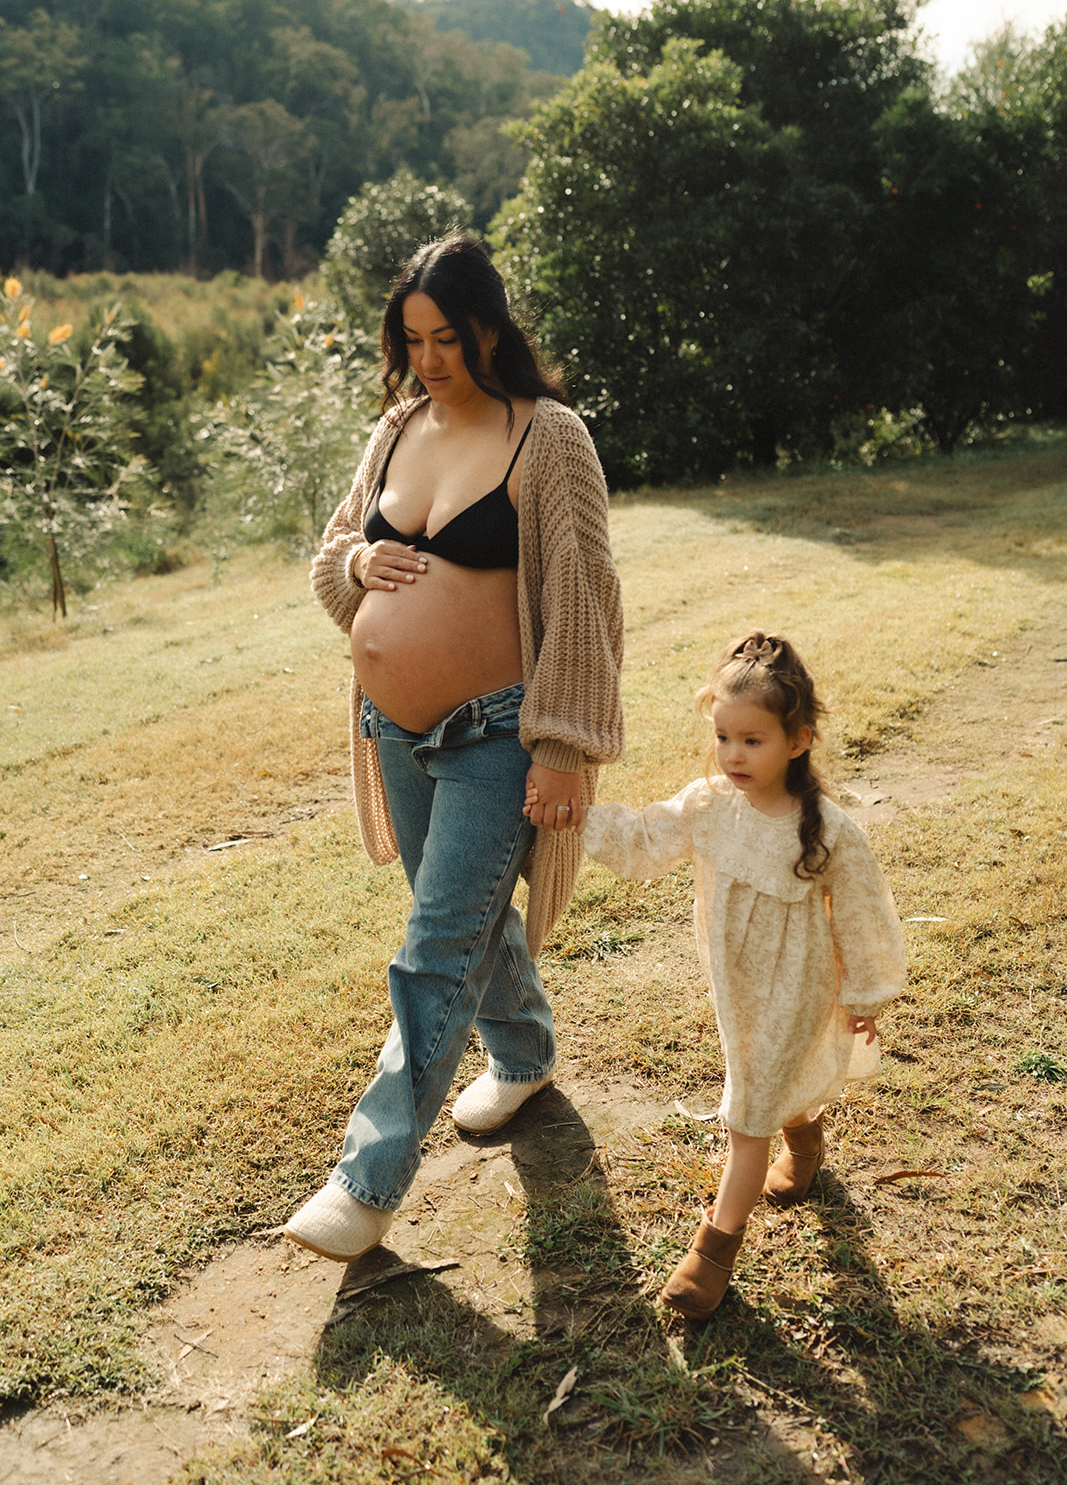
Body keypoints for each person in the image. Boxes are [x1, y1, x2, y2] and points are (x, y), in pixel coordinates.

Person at [284, 234, 624, 1264]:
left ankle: (366, 1180)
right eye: (413, 339)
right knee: (465, 919)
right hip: (392, 729)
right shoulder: (396, 432)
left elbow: (584, 602)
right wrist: (359, 563)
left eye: (447, 337)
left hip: (496, 733)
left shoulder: (547, 437)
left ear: (488, 328)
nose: (429, 359)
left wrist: (561, 748)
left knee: (435, 949)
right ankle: (522, 1054)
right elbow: (333, 561)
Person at [528, 630, 905, 1319]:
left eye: (752, 740)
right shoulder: (708, 805)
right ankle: (804, 1137)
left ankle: (713, 1252)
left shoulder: (826, 831)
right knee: (768, 1081)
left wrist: (865, 996)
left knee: (747, 1113)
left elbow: (863, 918)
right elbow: (644, 840)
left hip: (800, 987)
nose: (733, 754)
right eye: (724, 736)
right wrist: (577, 817)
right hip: (737, 989)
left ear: (798, 740)